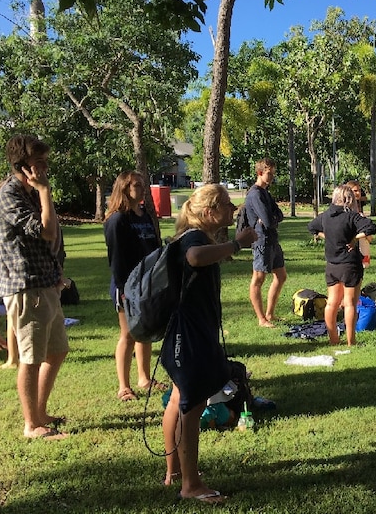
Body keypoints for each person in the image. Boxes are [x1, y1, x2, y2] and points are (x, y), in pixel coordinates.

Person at [161, 184, 257, 503]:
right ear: (209, 212)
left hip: (187, 334)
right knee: (192, 406)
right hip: (189, 337)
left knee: (181, 401)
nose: (233, 210)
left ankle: (175, 473)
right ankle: (191, 485)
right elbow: (195, 257)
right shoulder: (194, 238)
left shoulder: (196, 235)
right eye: (228, 205)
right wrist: (236, 244)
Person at [0, 134, 70, 438]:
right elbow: (48, 232)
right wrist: (45, 191)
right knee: (31, 357)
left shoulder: (28, 192)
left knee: (57, 351)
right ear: (22, 165)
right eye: (39, 162)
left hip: (45, 284)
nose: (45, 167)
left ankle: (39, 411)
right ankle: (32, 425)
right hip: (26, 288)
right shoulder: (10, 195)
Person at [104, 171, 168, 402]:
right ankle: (124, 386)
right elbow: (117, 258)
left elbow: (155, 249)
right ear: (124, 189)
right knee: (128, 334)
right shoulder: (118, 220)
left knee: (145, 332)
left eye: (144, 185)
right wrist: (124, 291)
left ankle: (144, 378)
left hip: (148, 283)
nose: (143, 189)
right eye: (137, 185)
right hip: (127, 287)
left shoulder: (145, 216)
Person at [308, 184, 376, 345]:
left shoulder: (325, 216)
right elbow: (371, 227)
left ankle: (333, 339)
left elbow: (311, 227)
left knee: (332, 302)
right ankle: (351, 341)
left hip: (332, 265)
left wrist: (326, 236)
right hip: (350, 265)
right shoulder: (351, 216)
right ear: (349, 199)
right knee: (350, 304)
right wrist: (354, 238)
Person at [245, 158, 287, 328]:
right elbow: (269, 221)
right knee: (258, 279)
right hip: (261, 240)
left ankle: (270, 313)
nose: (271, 177)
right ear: (260, 172)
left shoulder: (265, 193)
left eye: (273, 173)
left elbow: (278, 216)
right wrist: (271, 219)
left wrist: (273, 218)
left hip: (272, 239)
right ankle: (261, 319)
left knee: (281, 276)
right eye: (269, 173)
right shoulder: (255, 194)